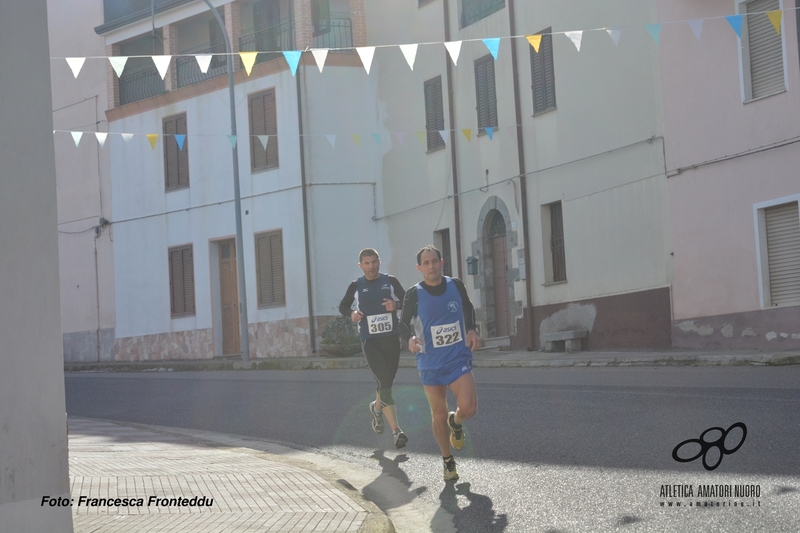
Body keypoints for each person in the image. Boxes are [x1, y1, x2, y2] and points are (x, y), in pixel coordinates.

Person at [401, 245, 480, 481]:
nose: (431, 266)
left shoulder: (455, 285)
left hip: (457, 357)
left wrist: (472, 329)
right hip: (430, 362)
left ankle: (456, 422)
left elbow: (467, 307)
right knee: (437, 414)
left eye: (434, 261)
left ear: (441, 262)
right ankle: (447, 461)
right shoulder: (413, 294)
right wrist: (409, 339)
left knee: (469, 407)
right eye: (425, 263)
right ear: (419, 268)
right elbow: (403, 324)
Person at [339, 248, 409, 448]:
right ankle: (397, 431)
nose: (371, 266)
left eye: (374, 262)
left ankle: (377, 409)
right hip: (370, 341)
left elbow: (407, 300)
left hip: (391, 339)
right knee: (385, 382)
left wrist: (395, 305)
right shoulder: (356, 285)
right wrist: (352, 314)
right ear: (361, 266)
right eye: (366, 263)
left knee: (386, 384)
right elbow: (343, 306)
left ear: (379, 262)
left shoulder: (391, 281)